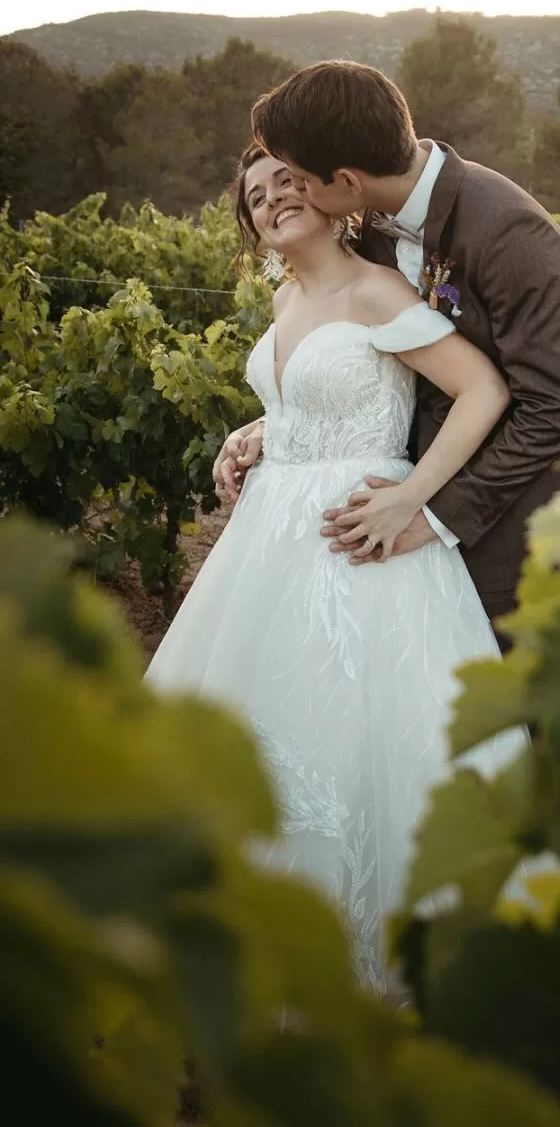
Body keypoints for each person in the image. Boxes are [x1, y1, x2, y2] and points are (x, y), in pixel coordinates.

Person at [147, 145, 531, 997]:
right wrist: (258, 429)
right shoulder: (285, 296)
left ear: (329, 195)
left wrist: (414, 501)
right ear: (250, 226)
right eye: (256, 194)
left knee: (360, 738)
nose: (275, 197)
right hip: (268, 547)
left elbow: (483, 391)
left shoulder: (376, 288)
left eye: (288, 181)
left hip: (361, 544)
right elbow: (310, 397)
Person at [219, 60, 560, 630]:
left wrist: (428, 514)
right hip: (394, 514)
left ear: (346, 181)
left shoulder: (513, 234)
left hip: (513, 534)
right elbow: (372, 363)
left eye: (296, 178)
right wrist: (279, 426)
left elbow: (552, 409)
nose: (292, 193)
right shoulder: (371, 226)